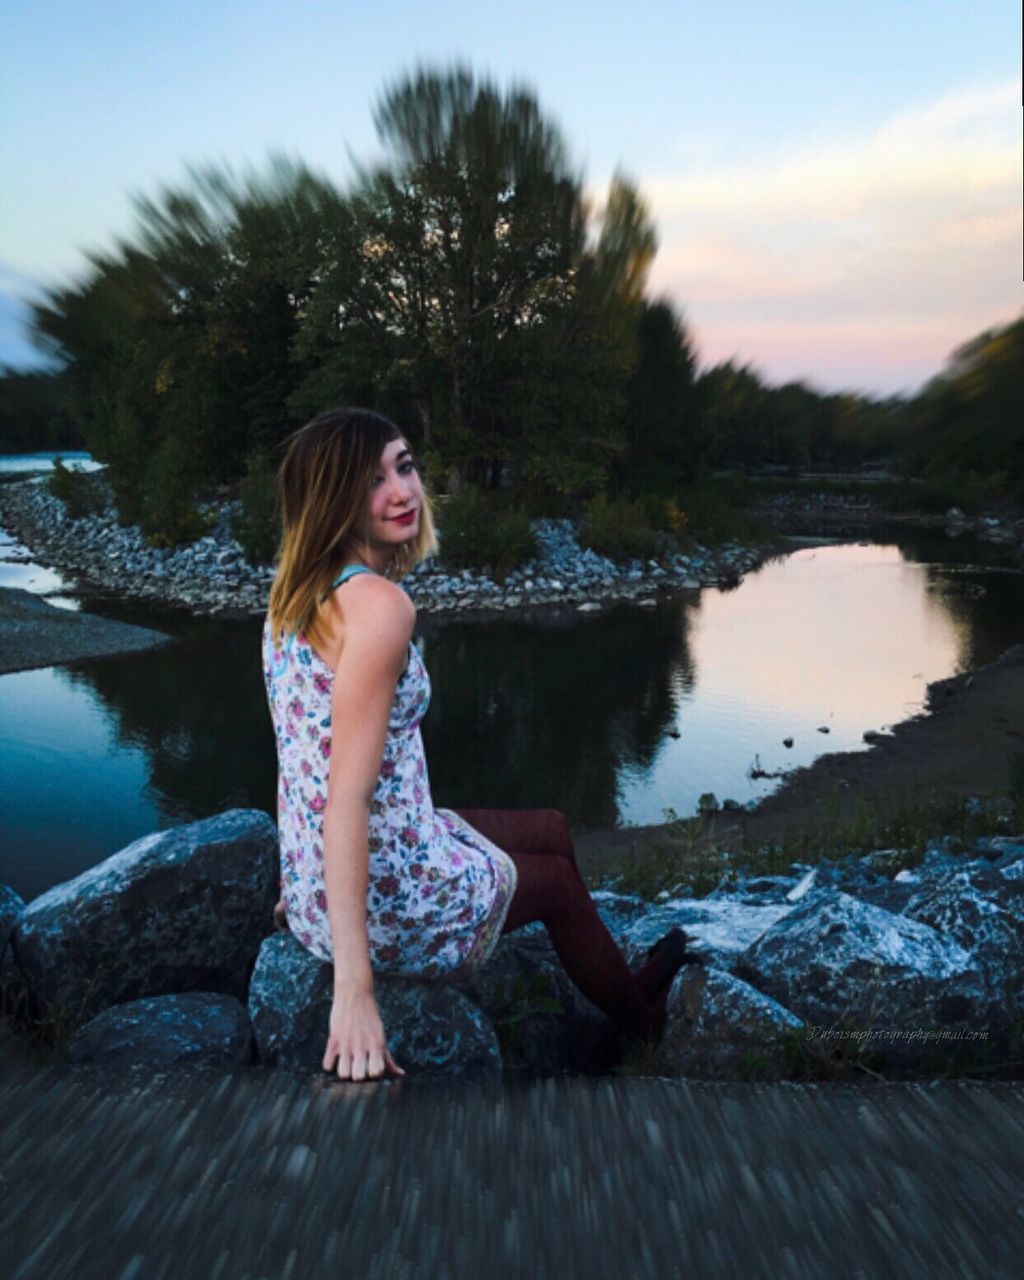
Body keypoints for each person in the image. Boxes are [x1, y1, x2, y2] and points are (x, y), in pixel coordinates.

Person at [263, 407, 692, 1081]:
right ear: (332, 500)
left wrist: (299, 874)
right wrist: (354, 990)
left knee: (550, 826)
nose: (403, 491)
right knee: (554, 886)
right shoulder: (379, 608)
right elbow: (343, 795)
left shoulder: (293, 594)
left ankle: (605, 974)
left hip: (338, 878)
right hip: (388, 901)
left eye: (404, 466)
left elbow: (297, 753)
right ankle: (643, 1024)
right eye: (372, 481)